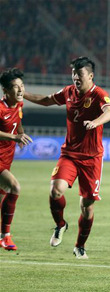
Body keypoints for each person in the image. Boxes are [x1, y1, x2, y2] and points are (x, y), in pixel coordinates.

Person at [23, 57, 110, 259]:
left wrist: (96, 122)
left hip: (92, 159)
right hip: (70, 154)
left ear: (90, 76)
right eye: (73, 74)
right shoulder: (68, 92)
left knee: (87, 207)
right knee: (56, 190)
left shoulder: (99, 94)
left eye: (79, 74)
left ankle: (79, 246)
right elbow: (47, 100)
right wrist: (24, 95)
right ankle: (60, 224)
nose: (75, 77)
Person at [0, 68, 33, 251]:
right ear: (5, 90)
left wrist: (20, 133)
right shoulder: (0, 108)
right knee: (15, 187)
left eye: (22, 86)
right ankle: (6, 236)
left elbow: (17, 121)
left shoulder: (18, 105)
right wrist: (14, 138)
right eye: (15, 87)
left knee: (2, 197)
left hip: (6, 158)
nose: (20, 90)